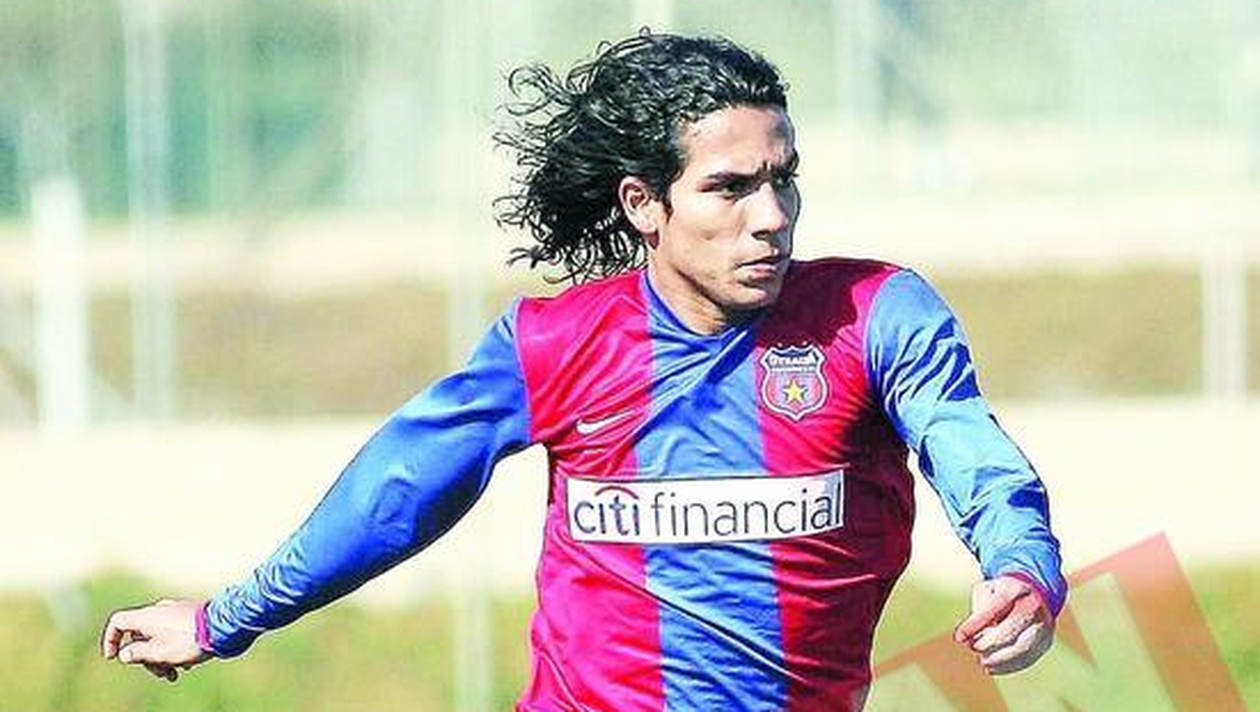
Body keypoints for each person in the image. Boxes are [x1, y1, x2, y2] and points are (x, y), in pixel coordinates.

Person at [101, 31, 1066, 711]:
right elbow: (398, 492)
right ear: (644, 204)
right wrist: (226, 619)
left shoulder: (875, 313)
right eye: (729, 188)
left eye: (784, 178)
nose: (771, 216)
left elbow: (969, 447)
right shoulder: (553, 345)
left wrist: (1021, 564)